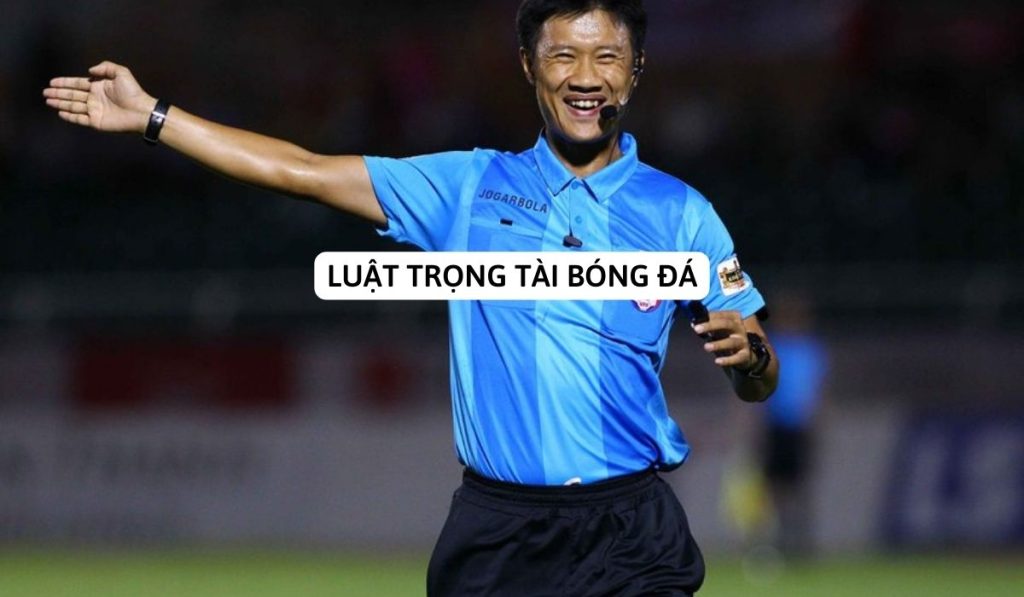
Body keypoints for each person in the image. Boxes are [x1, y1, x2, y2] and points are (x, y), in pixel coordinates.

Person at [43, 1, 778, 594]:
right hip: (500, 533)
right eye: (563, 55)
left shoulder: (683, 214)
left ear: (635, 69)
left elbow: (758, 373)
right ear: (529, 65)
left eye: (607, 56)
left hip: (631, 535)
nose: (585, 76)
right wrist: (154, 117)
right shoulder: (467, 187)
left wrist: (750, 359)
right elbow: (302, 169)